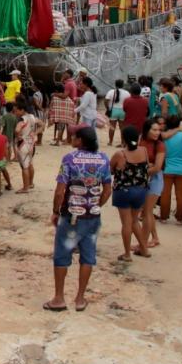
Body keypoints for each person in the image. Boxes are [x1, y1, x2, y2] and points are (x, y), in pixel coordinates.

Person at [44, 126, 111, 312]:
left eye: (74, 136)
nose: (71, 137)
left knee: (62, 256)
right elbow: (107, 189)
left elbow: (60, 191)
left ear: (80, 140)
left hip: (71, 215)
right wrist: (96, 205)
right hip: (92, 215)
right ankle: (80, 298)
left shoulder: (70, 159)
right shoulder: (104, 159)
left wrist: (56, 211)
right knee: (88, 256)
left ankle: (59, 297)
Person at [110, 126, 151, 261]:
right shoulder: (144, 151)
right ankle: (144, 249)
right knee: (134, 221)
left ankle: (127, 253)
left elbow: (110, 170)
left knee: (126, 223)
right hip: (140, 190)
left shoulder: (120, 154)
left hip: (124, 191)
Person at [159, 115, 182, 225]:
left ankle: (164, 217)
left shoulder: (165, 137)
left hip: (167, 168)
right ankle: (180, 218)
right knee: (181, 195)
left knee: (165, 194)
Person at [139, 118, 166, 249]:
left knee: (147, 211)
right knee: (146, 211)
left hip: (154, 179)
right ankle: (154, 238)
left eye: (159, 130)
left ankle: (143, 243)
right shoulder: (140, 140)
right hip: (143, 178)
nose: (157, 133)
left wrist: (141, 171)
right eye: (154, 130)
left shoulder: (159, 145)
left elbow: (157, 167)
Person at [13, 100, 36, 193]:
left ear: (22, 110)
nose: (15, 113)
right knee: (30, 164)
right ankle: (30, 183)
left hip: (23, 144)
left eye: (16, 111)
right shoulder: (32, 117)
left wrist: (17, 135)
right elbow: (42, 124)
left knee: (24, 167)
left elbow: (17, 130)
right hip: (31, 144)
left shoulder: (21, 119)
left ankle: (25, 188)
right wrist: (35, 133)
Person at [104, 79, 130, 146]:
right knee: (122, 128)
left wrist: (108, 108)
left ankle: (110, 142)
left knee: (112, 127)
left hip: (113, 110)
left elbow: (106, 100)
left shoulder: (111, 92)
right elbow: (129, 101)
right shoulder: (127, 93)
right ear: (123, 85)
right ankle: (122, 142)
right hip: (123, 111)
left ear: (115, 84)